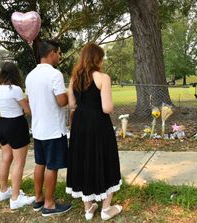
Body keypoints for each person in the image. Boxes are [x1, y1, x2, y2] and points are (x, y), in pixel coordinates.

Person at [66, 43, 122, 221]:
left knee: (83, 159)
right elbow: (107, 108)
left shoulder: (74, 79)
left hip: (80, 124)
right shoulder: (103, 78)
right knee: (105, 159)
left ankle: (88, 208)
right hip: (98, 124)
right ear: (98, 59)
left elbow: (72, 105)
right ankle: (106, 209)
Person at [25, 40, 71, 217]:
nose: (59, 57)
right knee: (52, 166)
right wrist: (68, 94)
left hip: (38, 130)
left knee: (40, 163)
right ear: (52, 53)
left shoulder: (30, 75)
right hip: (53, 129)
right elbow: (61, 101)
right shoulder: (55, 74)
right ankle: (50, 205)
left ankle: (39, 199)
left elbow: (29, 100)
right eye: (58, 53)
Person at [0, 62, 35, 209]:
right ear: (15, 73)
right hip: (16, 125)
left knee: (5, 159)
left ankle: (3, 190)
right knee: (19, 162)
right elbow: (28, 111)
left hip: (3, 124)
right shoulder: (15, 89)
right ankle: (15, 198)